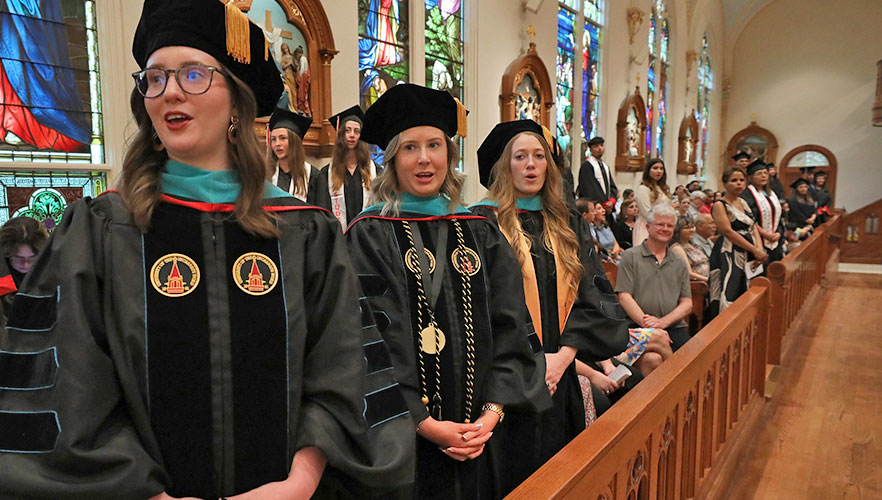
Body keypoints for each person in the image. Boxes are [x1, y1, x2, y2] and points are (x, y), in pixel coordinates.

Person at [0, 3, 412, 498]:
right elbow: (64, 387)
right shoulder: (102, 230)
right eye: (155, 78)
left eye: (193, 74)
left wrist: (299, 483)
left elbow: (345, 368)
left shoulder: (304, 232)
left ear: (237, 104)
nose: (170, 90)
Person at [346, 85, 548, 500]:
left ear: (448, 155)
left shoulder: (482, 232)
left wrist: (491, 414)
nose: (424, 159)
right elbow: (366, 344)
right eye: (410, 148)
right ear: (392, 161)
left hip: (484, 436)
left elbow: (514, 329)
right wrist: (425, 423)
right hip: (402, 440)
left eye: (435, 145)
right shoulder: (368, 236)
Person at [471, 119, 632, 496]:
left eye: (539, 156)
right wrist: (534, 360)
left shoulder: (566, 221)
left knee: (559, 472)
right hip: (507, 377)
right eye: (520, 157)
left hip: (560, 375)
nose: (531, 165)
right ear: (504, 167)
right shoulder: (483, 222)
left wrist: (562, 358)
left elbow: (593, 295)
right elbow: (482, 305)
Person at [616, 204, 692, 351]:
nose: (665, 229)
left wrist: (662, 323)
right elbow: (624, 297)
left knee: (691, 354)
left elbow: (687, 303)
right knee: (653, 358)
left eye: (670, 226)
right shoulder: (630, 257)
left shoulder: (679, 261)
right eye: (660, 224)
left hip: (672, 326)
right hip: (636, 326)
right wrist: (649, 325)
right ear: (647, 227)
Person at [709, 167, 767, 315]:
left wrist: (759, 249)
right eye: (734, 180)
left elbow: (752, 226)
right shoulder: (720, 205)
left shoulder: (743, 202)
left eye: (741, 180)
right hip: (729, 251)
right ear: (725, 184)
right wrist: (754, 249)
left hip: (749, 249)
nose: (739, 183)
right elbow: (728, 231)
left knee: (748, 287)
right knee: (730, 288)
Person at [318, 105, 378, 227]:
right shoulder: (326, 174)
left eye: (356, 131)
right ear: (341, 135)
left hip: (367, 238)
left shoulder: (375, 170)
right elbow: (324, 212)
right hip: (339, 239)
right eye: (347, 130)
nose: (352, 135)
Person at [267, 106, 329, 206]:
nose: (277, 143)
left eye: (282, 138)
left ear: (294, 142)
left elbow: (322, 215)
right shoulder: (266, 175)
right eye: (273, 139)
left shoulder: (314, 177)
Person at [0, 216, 49, 326]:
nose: (25, 264)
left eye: (32, 257)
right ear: (6, 255)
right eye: (18, 257)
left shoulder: (50, 272)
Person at [740, 159, 785, 263]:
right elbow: (748, 219)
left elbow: (778, 216)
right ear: (750, 177)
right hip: (757, 241)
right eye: (759, 173)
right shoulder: (746, 195)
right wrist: (765, 234)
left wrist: (778, 232)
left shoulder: (771, 194)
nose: (764, 176)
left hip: (774, 241)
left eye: (765, 173)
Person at [578, 136, 617, 223]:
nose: (600, 148)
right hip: (595, 209)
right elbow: (590, 188)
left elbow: (612, 186)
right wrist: (603, 205)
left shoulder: (605, 166)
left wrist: (611, 201)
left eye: (601, 145)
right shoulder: (587, 166)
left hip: (606, 209)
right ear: (590, 149)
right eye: (596, 146)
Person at [633, 157, 671, 246]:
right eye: (655, 168)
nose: (659, 171)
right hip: (646, 226)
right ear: (648, 170)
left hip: (661, 225)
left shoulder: (662, 188)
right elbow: (646, 211)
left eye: (661, 169)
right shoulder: (643, 189)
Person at [670, 217, 709, 282]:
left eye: (692, 227)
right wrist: (709, 280)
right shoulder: (677, 248)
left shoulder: (694, 245)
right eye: (687, 228)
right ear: (677, 230)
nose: (691, 230)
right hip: (698, 285)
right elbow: (688, 273)